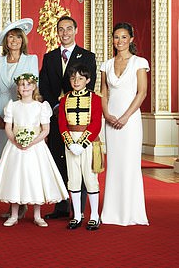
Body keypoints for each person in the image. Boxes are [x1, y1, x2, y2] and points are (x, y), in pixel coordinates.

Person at [0, 74, 68, 227]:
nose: (25, 87)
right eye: (22, 84)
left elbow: (45, 130)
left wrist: (31, 142)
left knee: (35, 177)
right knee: (15, 177)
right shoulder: (13, 105)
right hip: (15, 147)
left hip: (35, 147)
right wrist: (16, 141)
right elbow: (8, 128)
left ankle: (38, 215)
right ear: (18, 88)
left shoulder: (40, 106)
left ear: (34, 87)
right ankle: (14, 214)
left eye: (28, 84)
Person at [39, 16, 96, 220]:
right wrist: (56, 105)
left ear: (76, 30)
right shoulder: (50, 57)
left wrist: (68, 104)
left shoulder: (87, 56)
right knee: (58, 159)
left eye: (69, 29)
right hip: (55, 116)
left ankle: (78, 208)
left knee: (78, 161)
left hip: (79, 118)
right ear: (57, 32)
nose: (65, 33)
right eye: (61, 29)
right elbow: (44, 85)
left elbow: (90, 85)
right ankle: (61, 206)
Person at [100, 22, 149, 226]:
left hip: (130, 121)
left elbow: (142, 92)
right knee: (114, 164)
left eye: (123, 37)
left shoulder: (139, 62)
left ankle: (131, 212)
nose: (119, 41)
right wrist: (107, 114)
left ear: (131, 39)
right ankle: (111, 211)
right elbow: (103, 92)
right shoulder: (106, 65)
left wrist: (126, 116)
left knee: (129, 164)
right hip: (111, 120)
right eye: (116, 37)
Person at [58, 65, 102, 231]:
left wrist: (82, 144)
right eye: (73, 78)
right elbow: (62, 124)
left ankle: (94, 216)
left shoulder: (95, 99)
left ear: (88, 80)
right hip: (70, 143)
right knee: (73, 179)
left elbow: (96, 123)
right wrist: (70, 143)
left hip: (88, 142)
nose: (76, 82)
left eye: (80, 78)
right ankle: (77, 215)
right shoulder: (64, 99)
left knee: (90, 179)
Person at [0, 18, 38, 163]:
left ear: (23, 40)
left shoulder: (31, 60)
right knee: (3, 156)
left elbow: (36, 88)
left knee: (22, 155)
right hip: (2, 114)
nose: (14, 40)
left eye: (18, 36)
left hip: (25, 113)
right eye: (11, 36)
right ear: (6, 40)